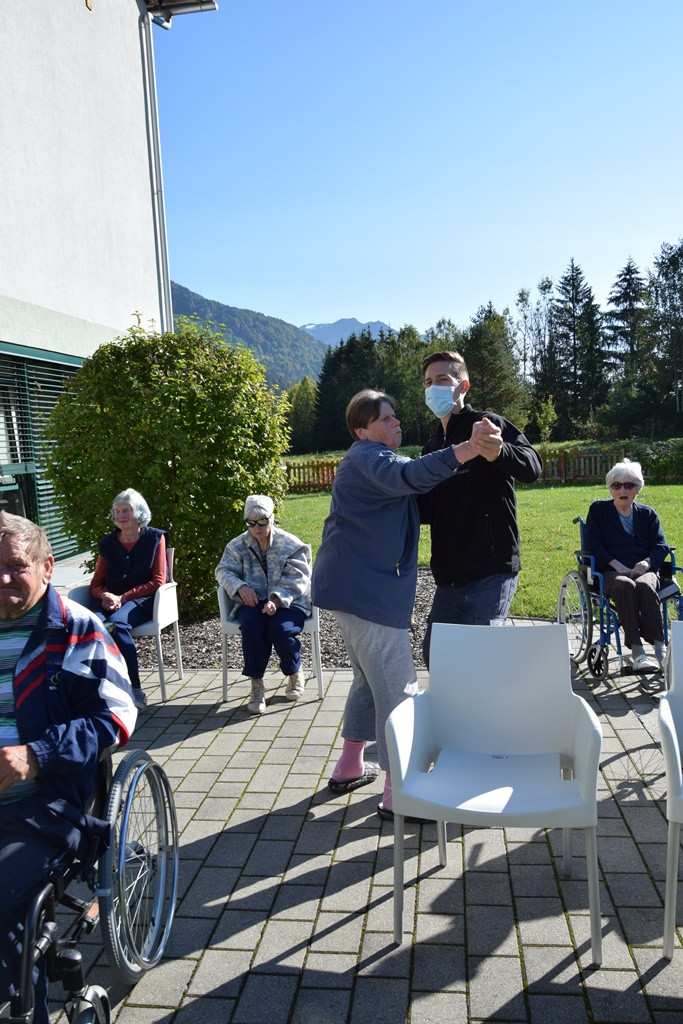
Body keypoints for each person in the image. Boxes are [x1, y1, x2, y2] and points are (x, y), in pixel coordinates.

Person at [312, 388, 500, 820]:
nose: (395, 422)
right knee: (397, 688)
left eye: (395, 416)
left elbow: (412, 479)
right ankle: (402, 790)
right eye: (385, 418)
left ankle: (349, 766)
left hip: (351, 589)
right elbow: (407, 477)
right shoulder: (367, 456)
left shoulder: (369, 459)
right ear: (362, 429)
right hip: (367, 594)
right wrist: (469, 448)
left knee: (366, 680)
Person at [0, 511, 136, 1024]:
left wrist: (38, 754)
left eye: (16, 565)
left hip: (45, 807)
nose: (4, 579)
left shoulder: (76, 630)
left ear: (47, 566)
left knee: (6, 898)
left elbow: (116, 715)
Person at [418, 350, 542, 664]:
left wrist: (500, 452)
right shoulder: (431, 447)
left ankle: (488, 713)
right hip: (448, 576)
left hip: (490, 570)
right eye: (429, 381)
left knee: (480, 664)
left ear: (463, 386)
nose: (434, 387)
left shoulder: (486, 425)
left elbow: (533, 466)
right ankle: (453, 714)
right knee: (436, 658)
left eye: (443, 379)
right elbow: (428, 510)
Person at [215, 495, 312, 714]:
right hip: (253, 601)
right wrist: (240, 587)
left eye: (262, 522)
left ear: (272, 518)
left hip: (290, 602)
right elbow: (223, 570)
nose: (257, 528)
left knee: (281, 629)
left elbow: (299, 578)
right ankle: (256, 684)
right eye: (251, 522)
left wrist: (277, 599)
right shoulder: (237, 545)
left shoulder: (291, 544)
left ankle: (294, 671)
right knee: (252, 627)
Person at [584, 459, 669, 671]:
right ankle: (638, 651)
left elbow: (661, 545)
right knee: (625, 585)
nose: (623, 489)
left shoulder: (648, 514)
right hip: (611, 571)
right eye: (616, 485)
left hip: (644, 570)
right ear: (611, 489)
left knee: (644, 585)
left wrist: (646, 562)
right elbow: (592, 544)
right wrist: (616, 565)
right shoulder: (598, 510)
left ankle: (660, 650)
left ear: (638, 489)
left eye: (629, 485)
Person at [90, 488, 168, 711]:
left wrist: (122, 597)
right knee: (90, 625)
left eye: (126, 510)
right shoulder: (107, 544)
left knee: (117, 625)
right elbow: (96, 584)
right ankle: (97, 689)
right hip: (109, 601)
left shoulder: (155, 538)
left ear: (139, 513)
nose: (121, 516)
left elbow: (158, 581)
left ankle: (135, 689)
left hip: (141, 600)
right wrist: (104, 595)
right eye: (117, 511)